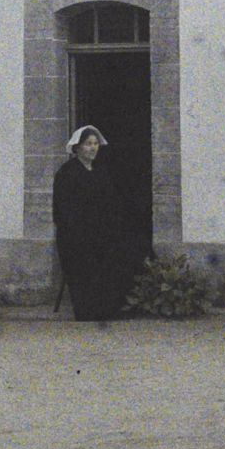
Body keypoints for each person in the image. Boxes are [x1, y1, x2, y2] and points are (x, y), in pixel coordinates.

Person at [51, 126, 148, 321]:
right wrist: (84, 230)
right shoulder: (67, 173)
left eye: (95, 144)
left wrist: (112, 226)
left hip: (100, 232)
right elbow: (64, 210)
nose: (93, 148)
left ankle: (110, 306)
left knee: (124, 249)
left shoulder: (100, 172)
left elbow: (111, 204)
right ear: (77, 148)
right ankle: (89, 310)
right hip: (75, 235)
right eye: (88, 144)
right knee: (87, 255)